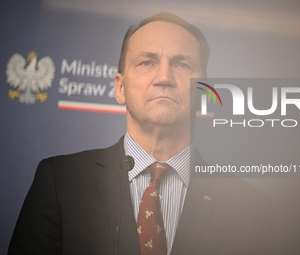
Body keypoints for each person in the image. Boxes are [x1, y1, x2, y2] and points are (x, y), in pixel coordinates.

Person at [8, 13, 274, 254]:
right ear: (120, 87)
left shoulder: (249, 208)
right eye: (147, 62)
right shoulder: (59, 181)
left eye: (181, 65)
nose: (164, 77)